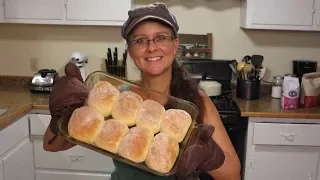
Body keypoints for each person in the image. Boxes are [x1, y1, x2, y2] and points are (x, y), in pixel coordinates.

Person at [43, 2, 241, 180]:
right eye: (140, 40)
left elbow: (233, 174)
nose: (151, 47)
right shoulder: (116, 97)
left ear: (175, 45)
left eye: (161, 38)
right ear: (130, 51)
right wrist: (61, 118)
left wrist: (208, 155)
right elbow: (51, 145)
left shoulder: (196, 104)